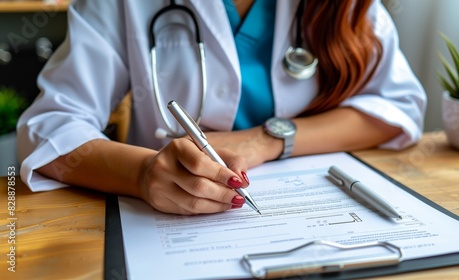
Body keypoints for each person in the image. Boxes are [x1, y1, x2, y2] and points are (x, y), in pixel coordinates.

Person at [17, 0, 426, 215]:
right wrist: (142, 174)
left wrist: (266, 139)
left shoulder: (348, 7)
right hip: (167, 223)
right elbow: (48, 126)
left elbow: (397, 105)